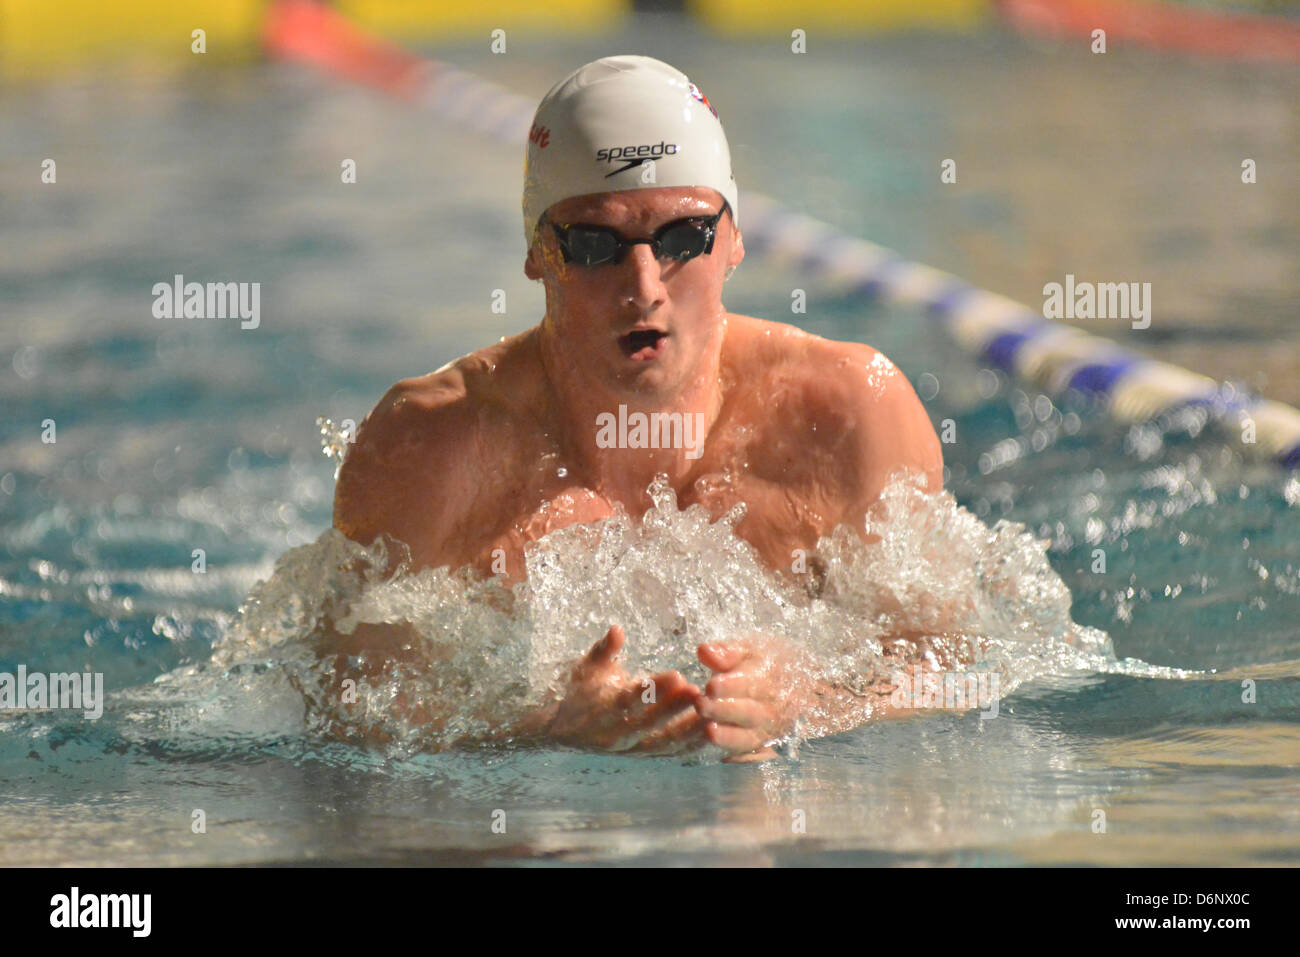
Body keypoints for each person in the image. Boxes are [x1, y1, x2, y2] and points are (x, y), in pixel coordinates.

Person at [330, 55, 943, 761]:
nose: (644, 284)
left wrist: (811, 700)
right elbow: (339, 717)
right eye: (596, 245)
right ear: (537, 252)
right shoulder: (431, 446)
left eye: (684, 237)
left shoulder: (852, 415)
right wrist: (539, 731)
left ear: (735, 237)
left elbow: (958, 667)